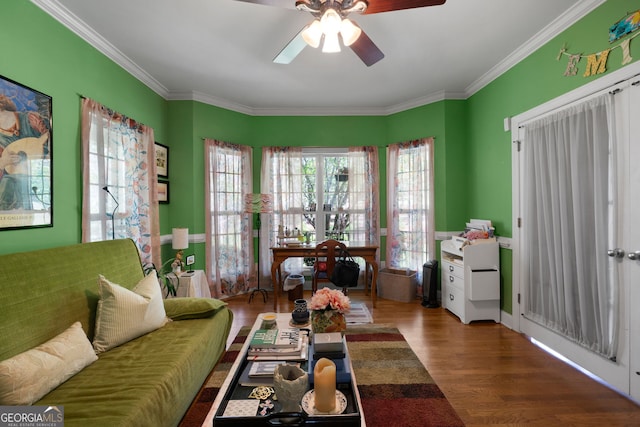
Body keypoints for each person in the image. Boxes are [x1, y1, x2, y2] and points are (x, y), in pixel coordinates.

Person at [0, 94, 50, 210]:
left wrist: (45, 138)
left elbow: (53, 143)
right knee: (7, 183)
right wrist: (2, 163)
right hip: (14, 182)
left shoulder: (30, 120)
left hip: (38, 176)